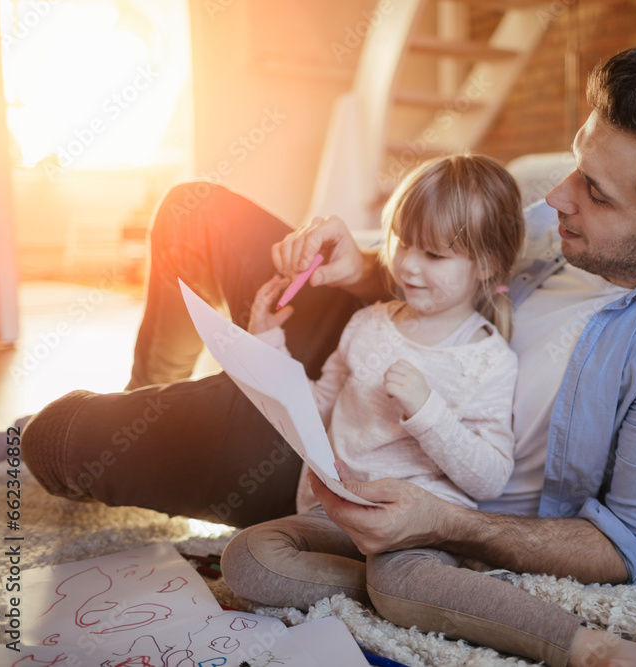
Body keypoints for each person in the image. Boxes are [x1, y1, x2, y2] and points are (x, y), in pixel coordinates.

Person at [19, 47, 636, 666]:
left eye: (594, 189)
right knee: (192, 210)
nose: (553, 194)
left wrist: (446, 523)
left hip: (350, 463)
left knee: (60, 439)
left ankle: (154, 419)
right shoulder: (563, 227)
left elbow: (627, 546)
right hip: (363, 344)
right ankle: (154, 383)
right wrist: (356, 264)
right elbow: (441, 263)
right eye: (574, 164)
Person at [219, 152, 525, 627]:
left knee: (401, 573)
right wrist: (266, 340)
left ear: (486, 265)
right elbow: (314, 408)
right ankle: (395, 594)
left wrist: (427, 411)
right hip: (335, 518)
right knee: (246, 557)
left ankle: (403, 587)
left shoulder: (488, 360)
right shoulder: (367, 324)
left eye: (434, 255)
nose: (408, 266)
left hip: (416, 532)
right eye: (403, 244)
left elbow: (489, 479)